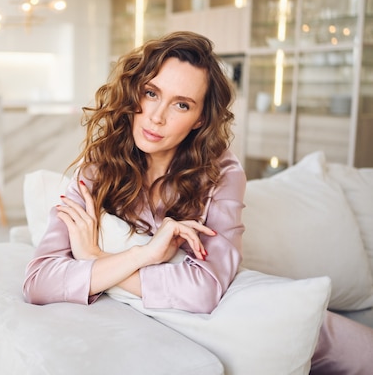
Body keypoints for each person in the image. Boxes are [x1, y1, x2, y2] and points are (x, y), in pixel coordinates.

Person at [22, 31, 373, 374]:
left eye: (181, 104)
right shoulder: (97, 171)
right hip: (231, 328)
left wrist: (96, 260)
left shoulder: (221, 171)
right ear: (133, 93)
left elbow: (204, 289)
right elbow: (39, 280)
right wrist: (141, 255)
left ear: (200, 118)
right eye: (150, 93)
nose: (157, 116)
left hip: (298, 326)